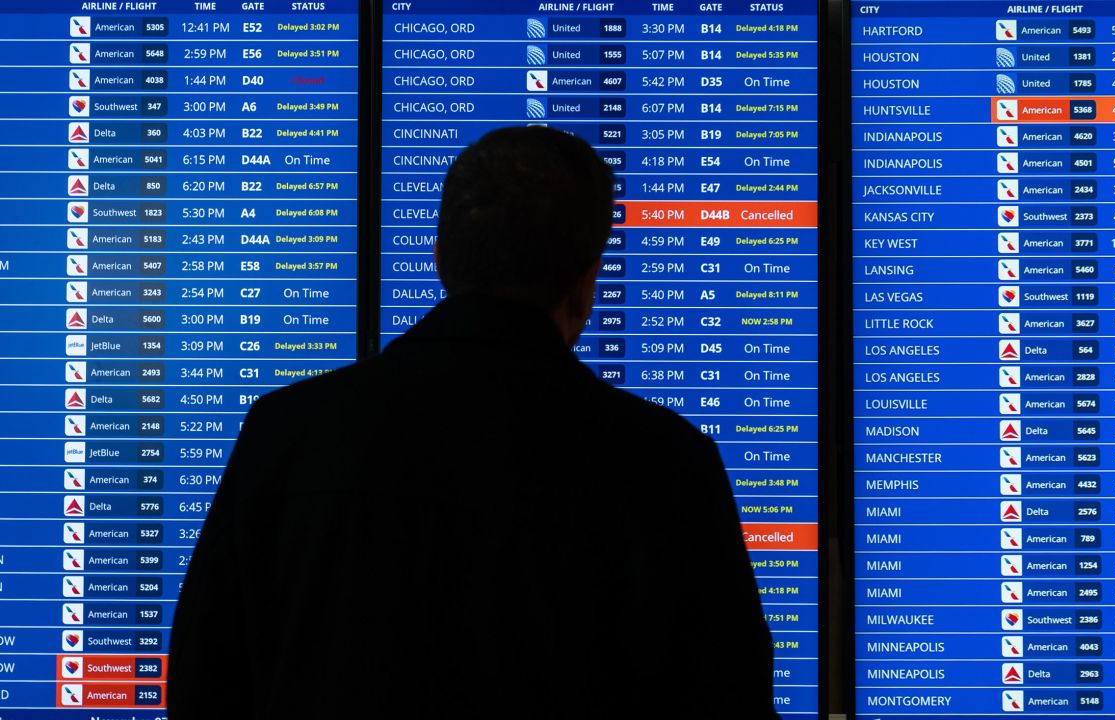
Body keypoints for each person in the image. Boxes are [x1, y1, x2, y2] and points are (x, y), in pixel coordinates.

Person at [167, 126, 777, 718]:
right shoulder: (665, 464)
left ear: (440, 259)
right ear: (587, 280)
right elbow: (726, 699)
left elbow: (205, 686)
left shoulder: (284, 434)